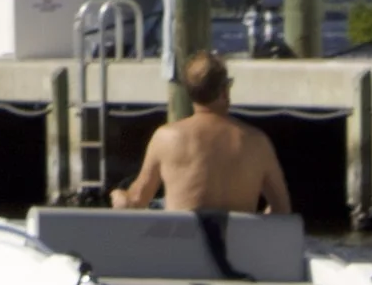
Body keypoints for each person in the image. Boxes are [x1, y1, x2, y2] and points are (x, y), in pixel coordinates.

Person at [113, 51, 293, 218]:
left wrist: (118, 196)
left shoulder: (166, 138)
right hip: (238, 250)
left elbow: (136, 202)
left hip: (182, 247)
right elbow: (281, 209)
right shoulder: (257, 142)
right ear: (224, 90)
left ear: (189, 92)